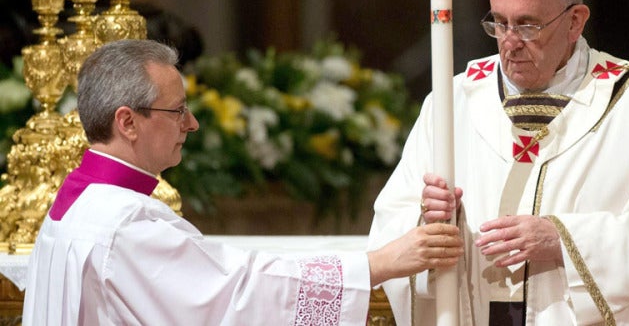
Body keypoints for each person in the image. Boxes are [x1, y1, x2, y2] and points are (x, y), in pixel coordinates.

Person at [368, 0, 629, 325]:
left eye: (528, 24)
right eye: (499, 23)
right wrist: (431, 223)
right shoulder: (453, 102)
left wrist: (564, 239)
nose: (510, 42)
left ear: (575, 22)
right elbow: (390, 224)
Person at [23, 39, 463, 326]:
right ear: (128, 122)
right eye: (177, 111)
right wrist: (380, 263)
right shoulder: (123, 223)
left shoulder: (79, 202)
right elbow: (241, 293)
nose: (191, 124)